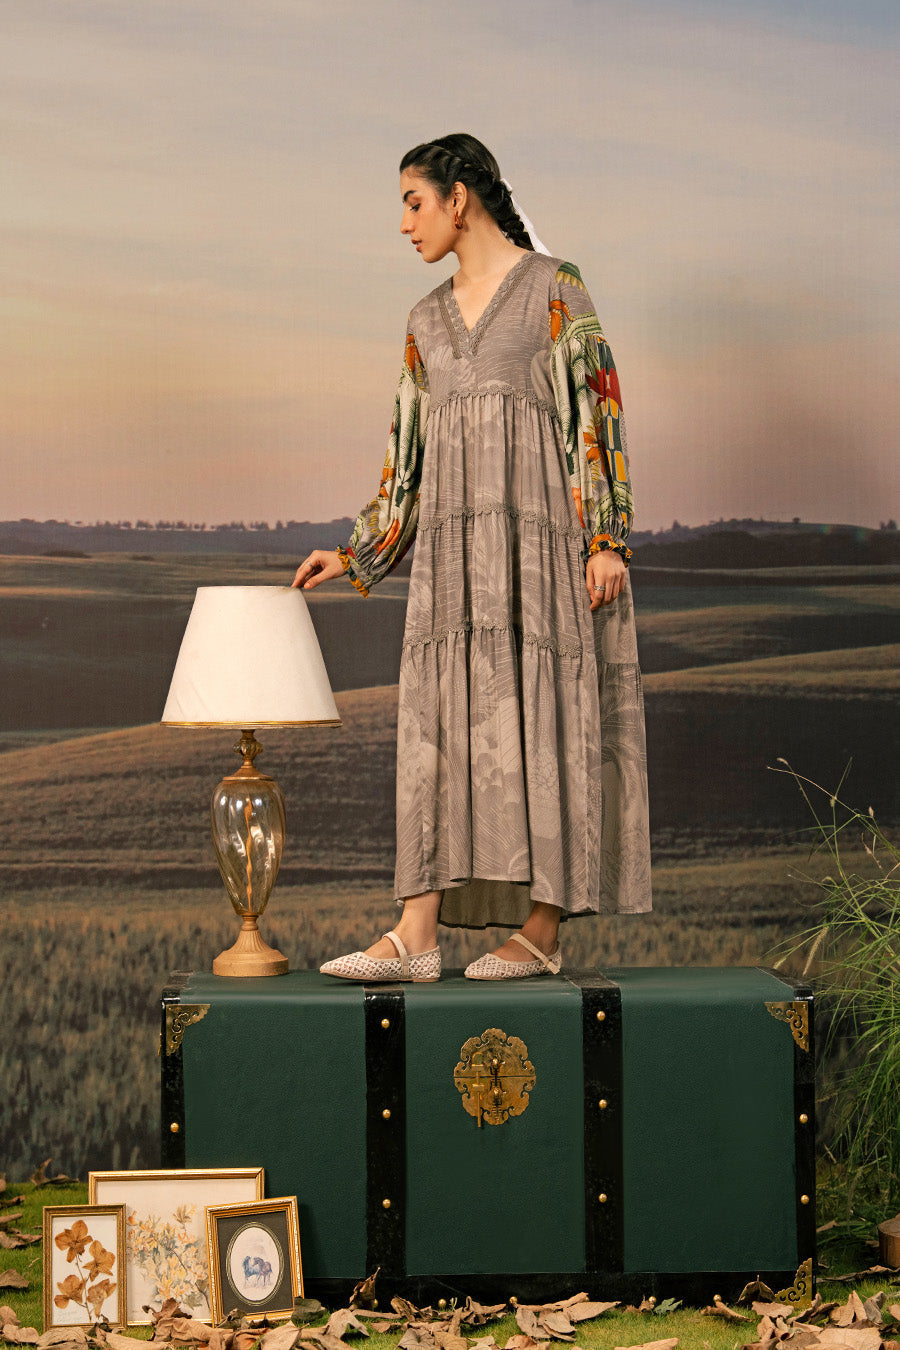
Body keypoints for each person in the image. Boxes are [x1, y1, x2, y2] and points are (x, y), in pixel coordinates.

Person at [293, 133, 651, 982]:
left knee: (546, 721)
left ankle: (542, 931)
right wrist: (356, 552)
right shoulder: (424, 321)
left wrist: (605, 539)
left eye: (413, 203)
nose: (405, 225)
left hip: (542, 559)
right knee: (441, 731)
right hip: (452, 576)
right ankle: (416, 933)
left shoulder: (555, 288)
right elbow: (407, 460)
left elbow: (596, 413)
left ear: (459, 198)